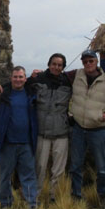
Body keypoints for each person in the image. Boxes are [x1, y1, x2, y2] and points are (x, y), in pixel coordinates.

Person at [66, 49, 105, 204]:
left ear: (96, 61)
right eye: (85, 61)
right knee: (76, 165)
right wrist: (38, 74)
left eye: (91, 60)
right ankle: (76, 195)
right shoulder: (75, 75)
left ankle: (103, 196)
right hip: (78, 128)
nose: (88, 64)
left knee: (102, 166)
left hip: (98, 130)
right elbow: (56, 76)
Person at [0, 66, 39, 209]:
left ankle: (31, 205)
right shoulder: (3, 95)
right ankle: (5, 204)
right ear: (11, 78)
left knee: (28, 176)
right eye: (15, 77)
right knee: (5, 176)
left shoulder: (30, 93)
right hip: (7, 143)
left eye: (21, 77)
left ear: (25, 79)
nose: (18, 79)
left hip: (26, 143)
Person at [29, 53, 72, 201]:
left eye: (59, 65)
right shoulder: (38, 79)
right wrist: (2, 87)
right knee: (39, 167)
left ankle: (55, 197)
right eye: (54, 64)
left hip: (61, 132)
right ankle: (36, 195)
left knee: (58, 169)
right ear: (49, 64)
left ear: (63, 67)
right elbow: (20, 85)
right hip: (42, 132)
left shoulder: (68, 81)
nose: (56, 67)